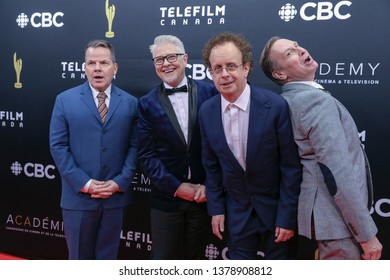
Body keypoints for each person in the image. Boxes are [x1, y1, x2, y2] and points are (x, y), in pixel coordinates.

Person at [260, 36, 383, 260]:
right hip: (339, 221)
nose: (300, 50)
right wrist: (365, 235)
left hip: (328, 218)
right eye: (289, 53)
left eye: (296, 46)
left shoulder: (291, 100)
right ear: (279, 74)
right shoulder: (314, 102)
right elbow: (336, 171)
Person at [199, 32, 302, 260]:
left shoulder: (275, 106)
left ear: (246, 68)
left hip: (275, 213)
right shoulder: (206, 111)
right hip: (236, 213)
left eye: (231, 66)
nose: (224, 74)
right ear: (211, 73)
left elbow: (291, 168)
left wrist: (287, 217)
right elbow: (211, 166)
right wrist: (216, 209)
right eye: (217, 68)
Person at [49, 39, 138, 259]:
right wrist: (85, 184)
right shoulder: (64, 100)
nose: (97, 68)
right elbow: (58, 146)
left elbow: (136, 146)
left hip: (114, 199)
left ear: (114, 68)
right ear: (84, 67)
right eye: (91, 63)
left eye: (104, 62)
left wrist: (119, 182)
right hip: (78, 198)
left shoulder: (131, 103)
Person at [137, 35, 218, 259]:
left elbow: (223, 148)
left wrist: (209, 186)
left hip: (204, 199)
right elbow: (146, 156)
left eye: (171, 56)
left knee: (195, 261)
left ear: (185, 58)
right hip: (166, 199)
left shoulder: (211, 93)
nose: (166, 63)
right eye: (159, 60)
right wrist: (177, 187)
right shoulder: (146, 103)